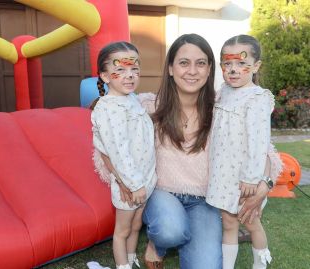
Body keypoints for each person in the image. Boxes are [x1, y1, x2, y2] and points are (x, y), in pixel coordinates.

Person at [107, 34, 281, 269]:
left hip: (205, 201)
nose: (192, 71)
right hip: (162, 194)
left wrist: (264, 184)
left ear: (210, 69)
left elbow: (264, 150)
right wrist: (123, 180)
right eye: (183, 63)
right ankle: (159, 243)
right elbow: (108, 146)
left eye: (200, 63)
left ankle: (187, 232)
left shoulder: (225, 107)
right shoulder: (145, 107)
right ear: (170, 68)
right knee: (170, 230)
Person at [206, 34, 276, 269]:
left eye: (241, 64)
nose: (233, 70)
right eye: (228, 64)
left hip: (244, 177)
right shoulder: (224, 91)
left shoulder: (257, 98)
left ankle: (260, 263)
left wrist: (251, 177)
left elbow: (259, 142)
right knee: (228, 222)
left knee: (251, 220)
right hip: (223, 173)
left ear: (256, 66)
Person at [91, 41, 157, 269]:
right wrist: (132, 184)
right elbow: (118, 151)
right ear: (105, 76)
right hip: (129, 184)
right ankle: (123, 266)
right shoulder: (108, 108)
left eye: (134, 69)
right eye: (120, 70)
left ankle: (131, 258)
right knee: (123, 230)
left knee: (137, 224)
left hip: (144, 180)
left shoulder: (132, 101)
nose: (129, 76)